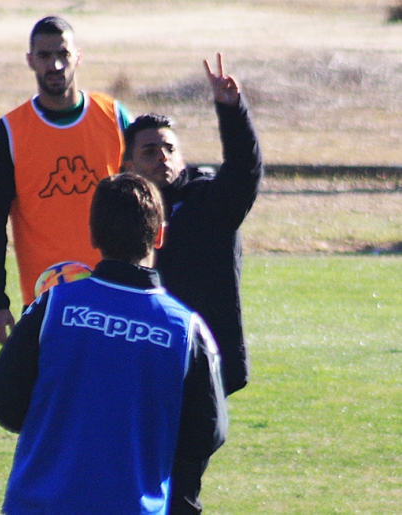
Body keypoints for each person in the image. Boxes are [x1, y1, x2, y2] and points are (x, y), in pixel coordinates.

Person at [0, 173, 228, 514]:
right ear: (159, 235)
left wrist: (60, 429)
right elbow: (208, 433)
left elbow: (2, 398)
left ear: (93, 234)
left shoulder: (53, 306)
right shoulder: (187, 329)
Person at [123, 54, 264, 514]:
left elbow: (243, 172)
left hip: (199, 373)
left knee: (180, 492)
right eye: (149, 150)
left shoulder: (209, 203)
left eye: (168, 147)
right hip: (142, 369)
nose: (162, 156)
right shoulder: (122, 217)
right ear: (127, 164)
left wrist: (231, 110)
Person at [0, 15, 132, 344]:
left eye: (63, 54)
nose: (55, 64)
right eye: (45, 56)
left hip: (116, 296)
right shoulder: (9, 134)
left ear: (78, 56)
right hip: (45, 304)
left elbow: (148, 208)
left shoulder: (115, 119)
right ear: (30, 60)